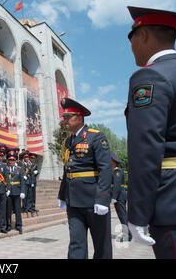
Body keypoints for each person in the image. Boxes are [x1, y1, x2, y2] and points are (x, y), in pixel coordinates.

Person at [125, 6, 176, 258]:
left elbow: (145, 150)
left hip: (172, 203)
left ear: (143, 35)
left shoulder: (150, 76)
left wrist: (137, 215)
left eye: (131, 38)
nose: (131, 46)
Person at [57, 97, 113, 259]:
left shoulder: (96, 137)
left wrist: (102, 199)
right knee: (76, 243)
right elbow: (68, 170)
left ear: (80, 118)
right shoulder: (68, 141)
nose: (65, 120)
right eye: (64, 117)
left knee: (101, 244)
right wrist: (62, 195)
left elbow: (105, 168)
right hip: (73, 200)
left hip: (93, 199)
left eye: (69, 117)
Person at [109, 151, 131, 242]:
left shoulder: (117, 171)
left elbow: (117, 185)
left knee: (123, 216)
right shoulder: (114, 170)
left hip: (119, 196)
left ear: (113, 160)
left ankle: (127, 235)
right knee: (122, 216)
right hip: (118, 196)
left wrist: (114, 197)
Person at [5, 151, 25, 234]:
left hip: (17, 191)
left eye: (13, 160)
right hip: (9, 192)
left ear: (15, 160)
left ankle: (19, 225)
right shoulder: (6, 169)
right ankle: (9, 225)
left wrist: (22, 192)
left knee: (17, 209)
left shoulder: (19, 169)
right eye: (10, 160)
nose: (11, 162)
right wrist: (6, 190)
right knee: (9, 210)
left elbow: (22, 181)